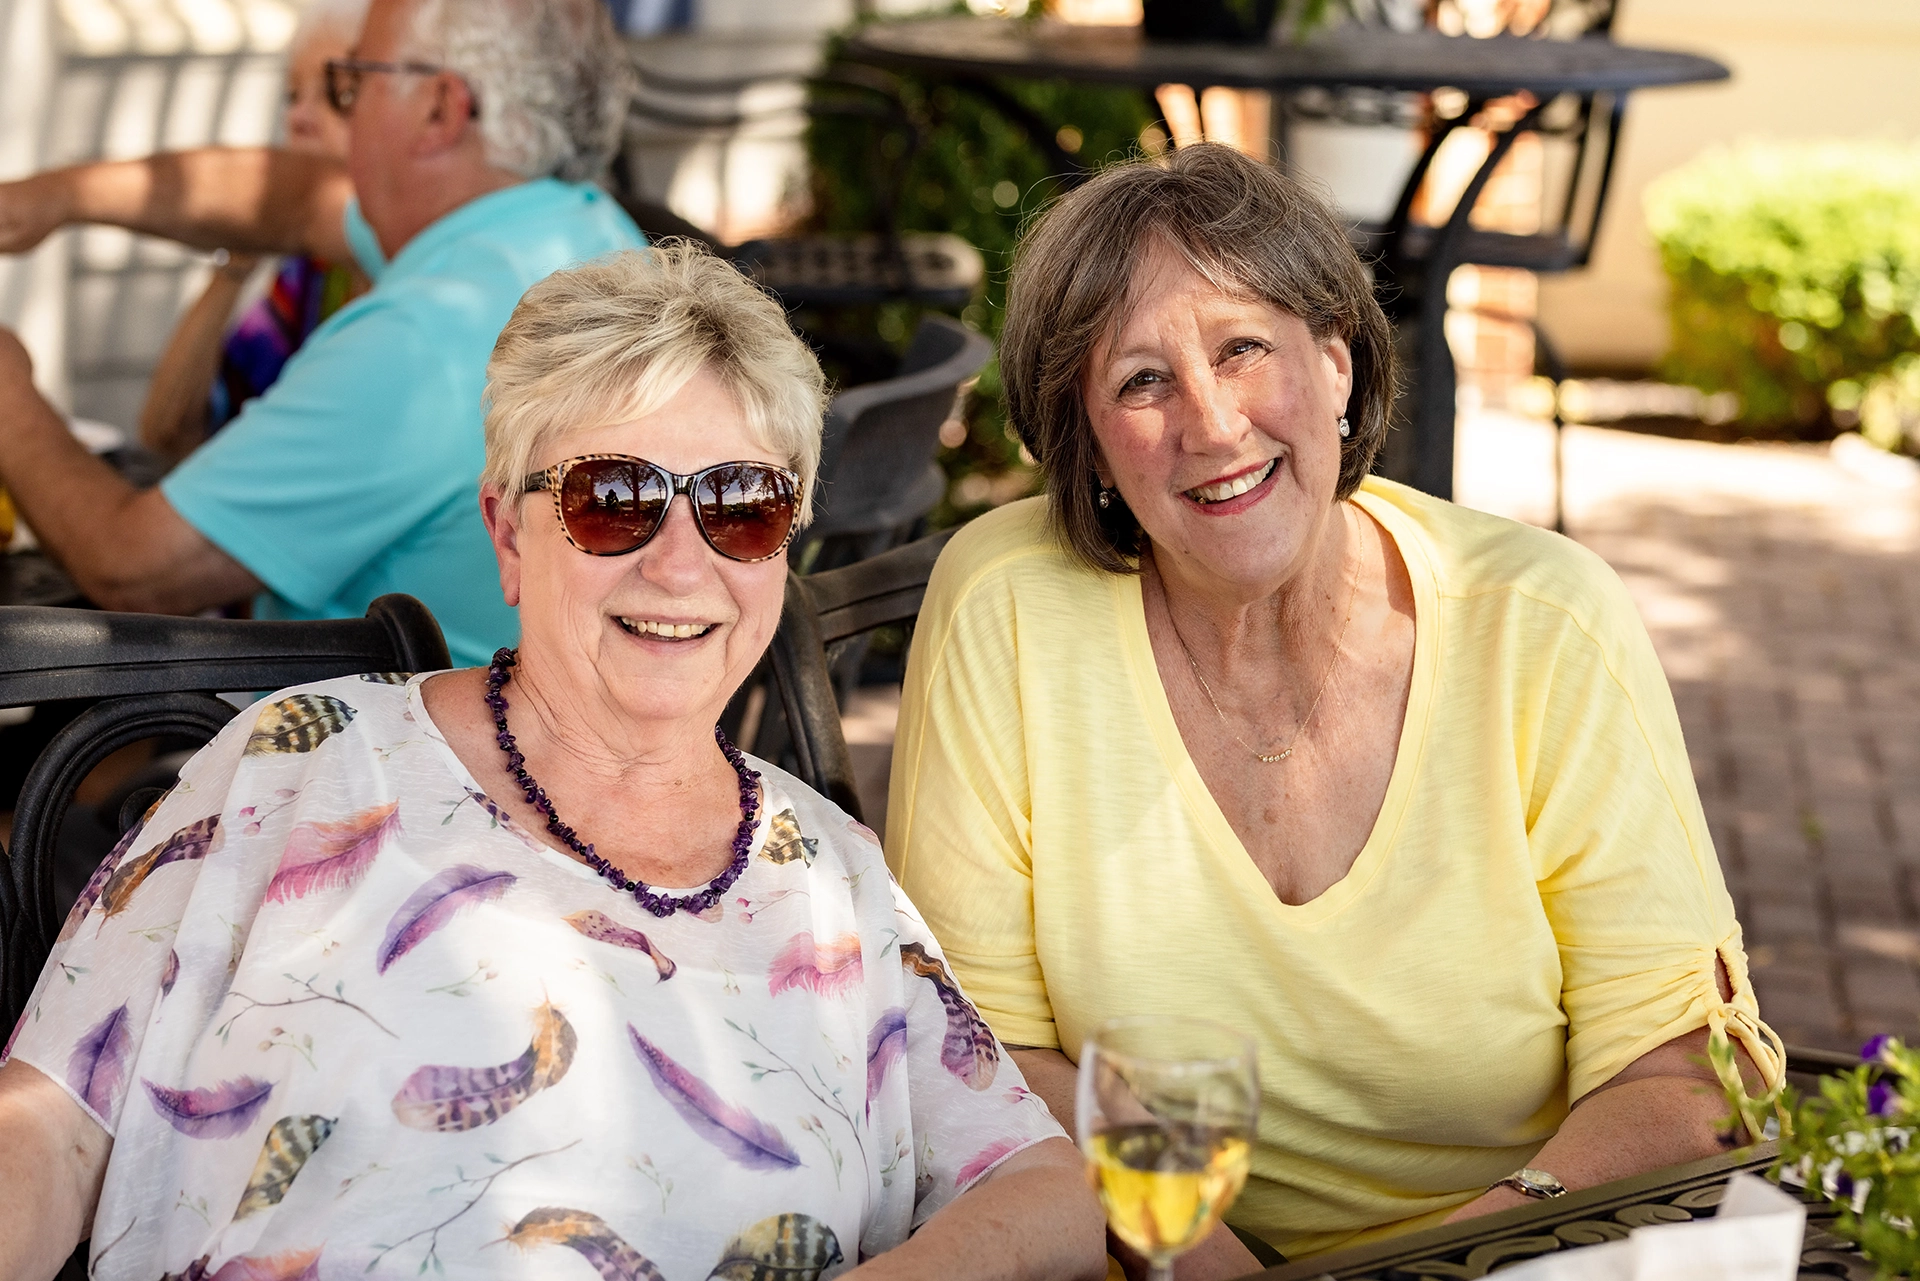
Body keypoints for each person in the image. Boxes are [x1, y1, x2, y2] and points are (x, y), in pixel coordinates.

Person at [0, 244, 1107, 1281]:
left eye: (743, 505)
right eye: (613, 501)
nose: (683, 567)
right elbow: (45, 1126)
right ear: (509, 536)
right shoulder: (300, 762)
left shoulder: (829, 875)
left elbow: (1045, 1187)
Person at [885, 143, 1785, 1272]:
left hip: (1519, 1253)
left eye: (1243, 348)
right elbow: (980, 1050)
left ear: (1341, 364)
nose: (1211, 426)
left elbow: (1678, 1077)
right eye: (1141, 380)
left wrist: (1456, 1258)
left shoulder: (1542, 623)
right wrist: (1198, 1254)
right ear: (1091, 448)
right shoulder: (1005, 610)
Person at [0, 0, 644, 666]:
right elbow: (302, 201)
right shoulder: (575, 230)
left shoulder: (422, 340)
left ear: (438, 111)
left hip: (379, 753)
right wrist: (57, 198)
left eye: (350, 83)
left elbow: (134, 569)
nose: (343, 110)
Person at [140, 0, 371, 465]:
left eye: (336, 93)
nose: (298, 118)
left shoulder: (415, 271)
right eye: (292, 96)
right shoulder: (310, 275)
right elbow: (171, 430)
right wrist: (238, 258)